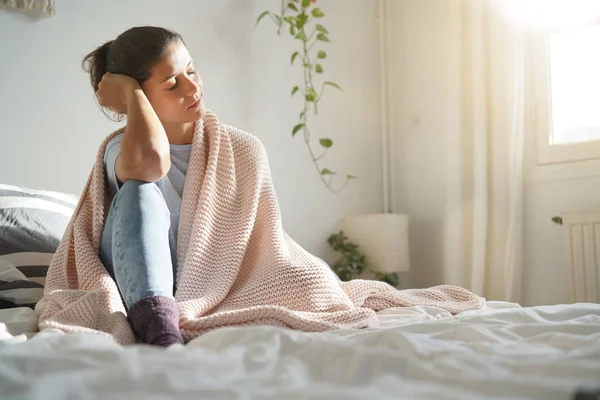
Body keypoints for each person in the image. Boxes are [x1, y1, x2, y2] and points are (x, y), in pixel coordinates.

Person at [82, 26, 206, 346]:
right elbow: (150, 163)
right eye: (172, 83)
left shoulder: (239, 149)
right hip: (134, 283)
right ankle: (160, 330)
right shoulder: (121, 149)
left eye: (191, 70)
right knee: (139, 189)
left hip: (200, 285)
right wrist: (131, 94)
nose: (193, 87)